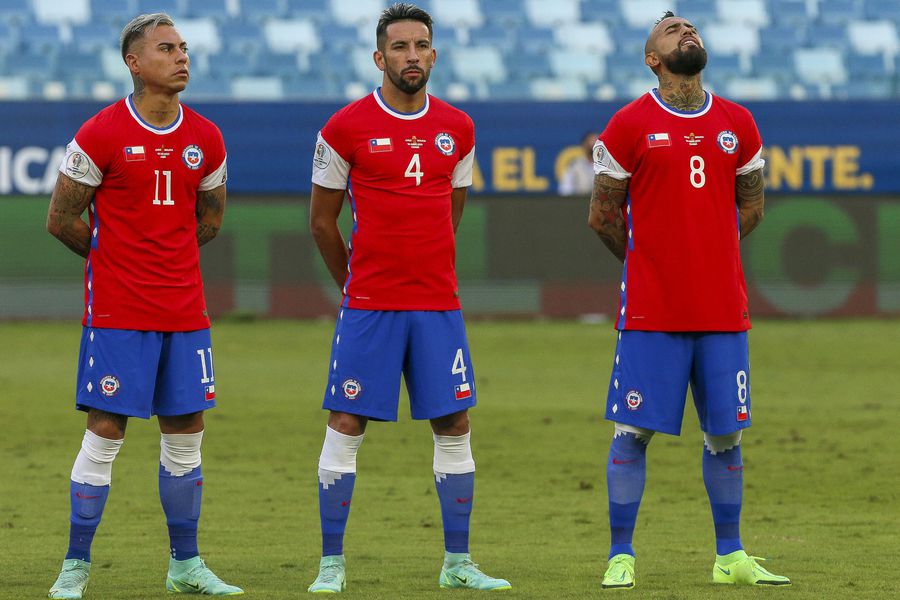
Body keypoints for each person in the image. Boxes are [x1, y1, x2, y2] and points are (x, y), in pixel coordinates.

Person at [306, 3, 511, 594]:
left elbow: (452, 213)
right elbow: (322, 223)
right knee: (346, 421)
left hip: (437, 306)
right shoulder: (343, 128)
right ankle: (331, 565)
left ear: (435, 54)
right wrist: (356, 285)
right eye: (399, 47)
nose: (412, 55)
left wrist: (425, 270)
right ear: (379, 58)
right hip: (370, 307)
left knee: (454, 421)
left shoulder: (460, 127)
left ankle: (458, 563)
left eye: (421, 45)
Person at [587, 12, 790, 590]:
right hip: (653, 312)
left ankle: (731, 557)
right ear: (652, 57)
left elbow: (750, 208)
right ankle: (620, 555)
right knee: (634, 430)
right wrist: (653, 262)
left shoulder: (738, 122)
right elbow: (603, 215)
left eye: (691, 27)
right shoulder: (629, 124)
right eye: (672, 30)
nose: (686, 32)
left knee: (725, 434)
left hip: (724, 310)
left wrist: (707, 253)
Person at [45, 13, 242, 598]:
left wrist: (167, 261)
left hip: (185, 313)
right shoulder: (101, 134)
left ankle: (185, 566)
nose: (182, 56)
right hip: (118, 315)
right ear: (134, 62)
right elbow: (60, 219)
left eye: (184, 46)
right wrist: (115, 261)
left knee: (186, 433)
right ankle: (75, 568)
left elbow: (210, 219)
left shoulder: (206, 137)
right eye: (166, 48)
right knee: (106, 431)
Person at [558, 131, 600, 196]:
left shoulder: (606, 166)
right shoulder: (575, 165)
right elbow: (565, 189)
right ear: (584, 145)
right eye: (590, 141)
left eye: (596, 142)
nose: (592, 145)